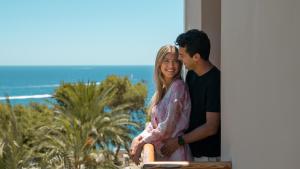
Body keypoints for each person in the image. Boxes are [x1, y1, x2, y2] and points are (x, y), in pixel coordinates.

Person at [161, 29, 221, 161]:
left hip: (208, 157)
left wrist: (178, 141)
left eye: (182, 55)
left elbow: (211, 127)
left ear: (196, 57)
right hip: (190, 152)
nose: (180, 59)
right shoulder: (191, 75)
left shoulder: (215, 81)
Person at [130, 45, 192, 165]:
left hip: (176, 155)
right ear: (159, 64)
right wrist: (137, 138)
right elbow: (153, 125)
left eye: (175, 61)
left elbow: (167, 128)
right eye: (166, 61)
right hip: (164, 155)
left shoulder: (178, 87)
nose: (171, 65)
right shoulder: (163, 90)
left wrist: (142, 143)